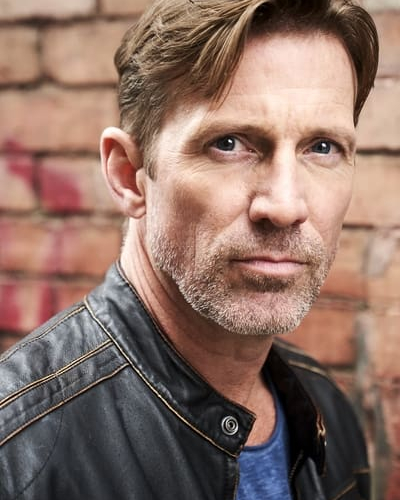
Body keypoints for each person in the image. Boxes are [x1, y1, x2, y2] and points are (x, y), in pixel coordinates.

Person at [0, 0, 379, 499]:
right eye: (229, 143)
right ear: (128, 175)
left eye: (322, 147)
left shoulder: (328, 412)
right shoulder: (17, 452)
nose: (285, 206)